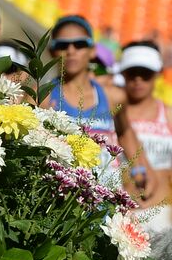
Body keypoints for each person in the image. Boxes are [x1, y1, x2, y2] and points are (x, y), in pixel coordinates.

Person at [44, 15, 154, 196]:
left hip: (105, 199)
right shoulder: (44, 97)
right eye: (62, 45)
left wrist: (139, 171)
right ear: (51, 51)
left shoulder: (113, 96)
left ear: (93, 50)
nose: (71, 50)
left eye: (79, 44)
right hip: (58, 203)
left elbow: (125, 132)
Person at [119, 42, 172, 208]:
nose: (138, 79)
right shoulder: (112, 112)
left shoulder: (169, 114)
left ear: (157, 74)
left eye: (145, 73)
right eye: (132, 73)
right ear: (123, 74)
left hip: (163, 209)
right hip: (120, 206)